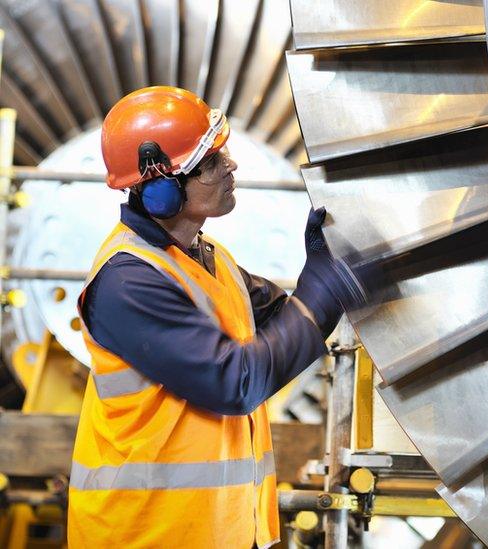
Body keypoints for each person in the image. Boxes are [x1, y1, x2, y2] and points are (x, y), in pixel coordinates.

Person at [66, 86, 364, 548]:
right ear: (161, 189)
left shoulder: (208, 259)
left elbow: (286, 320)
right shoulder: (129, 282)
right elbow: (235, 382)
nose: (231, 168)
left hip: (218, 530)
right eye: (210, 162)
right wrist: (322, 290)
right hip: (148, 534)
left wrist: (331, 268)